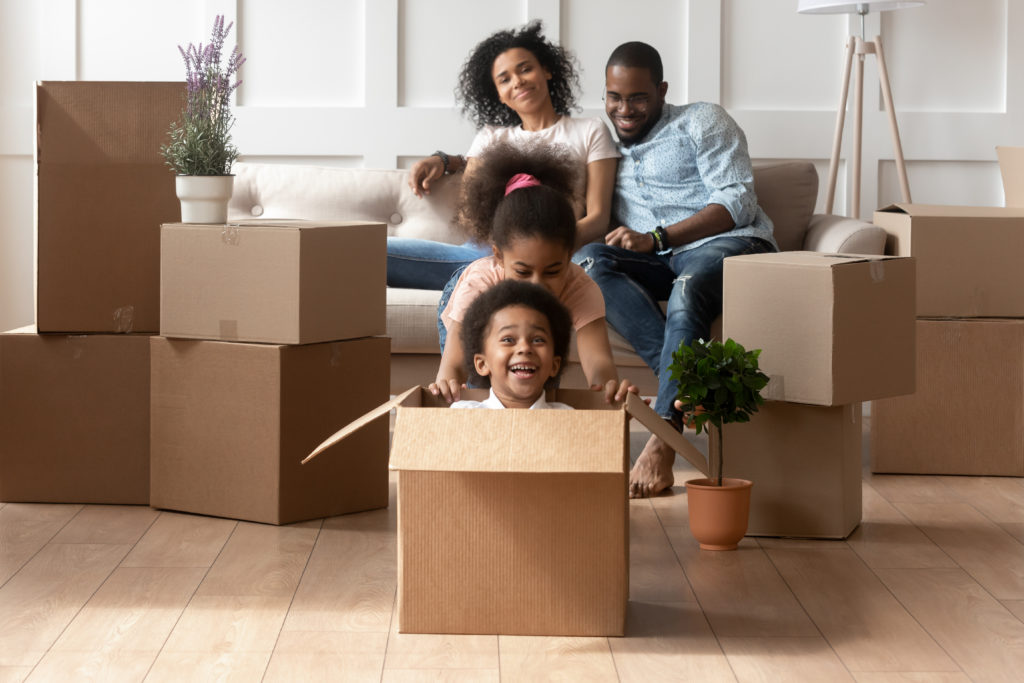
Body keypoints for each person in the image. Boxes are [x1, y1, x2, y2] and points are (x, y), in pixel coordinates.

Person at [573, 41, 779, 499]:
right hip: (656, 259)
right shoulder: (603, 144)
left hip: (728, 244)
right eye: (614, 97)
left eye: (637, 98)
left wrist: (659, 238)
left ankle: (664, 435)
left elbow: (737, 202)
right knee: (585, 260)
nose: (623, 110)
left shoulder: (702, 120)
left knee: (688, 289)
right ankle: (687, 382)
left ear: (662, 90)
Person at [389, 20, 619, 289]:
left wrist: (545, 251)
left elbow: (598, 217)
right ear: (497, 93)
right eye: (505, 79)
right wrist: (510, 254)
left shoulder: (590, 130)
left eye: (525, 69)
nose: (518, 81)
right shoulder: (490, 138)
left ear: (546, 70)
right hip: (486, 255)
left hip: (559, 255)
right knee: (370, 250)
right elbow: (471, 212)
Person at [430, 142, 633, 406]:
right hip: (470, 315)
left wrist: (607, 389)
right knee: (478, 392)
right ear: (500, 257)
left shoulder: (580, 287)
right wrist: (447, 386)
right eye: (523, 271)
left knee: (537, 391)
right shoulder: (480, 283)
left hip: (541, 325)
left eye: (553, 271)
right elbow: (454, 365)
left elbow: (599, 362)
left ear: (569, 255)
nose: (537, 285)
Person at [450, 280, 574, 410]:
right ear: (482, 364)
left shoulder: (569, 417)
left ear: (554, 365)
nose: (525, 348)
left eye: (538, 340)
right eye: (508, 340)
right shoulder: (463, 413)